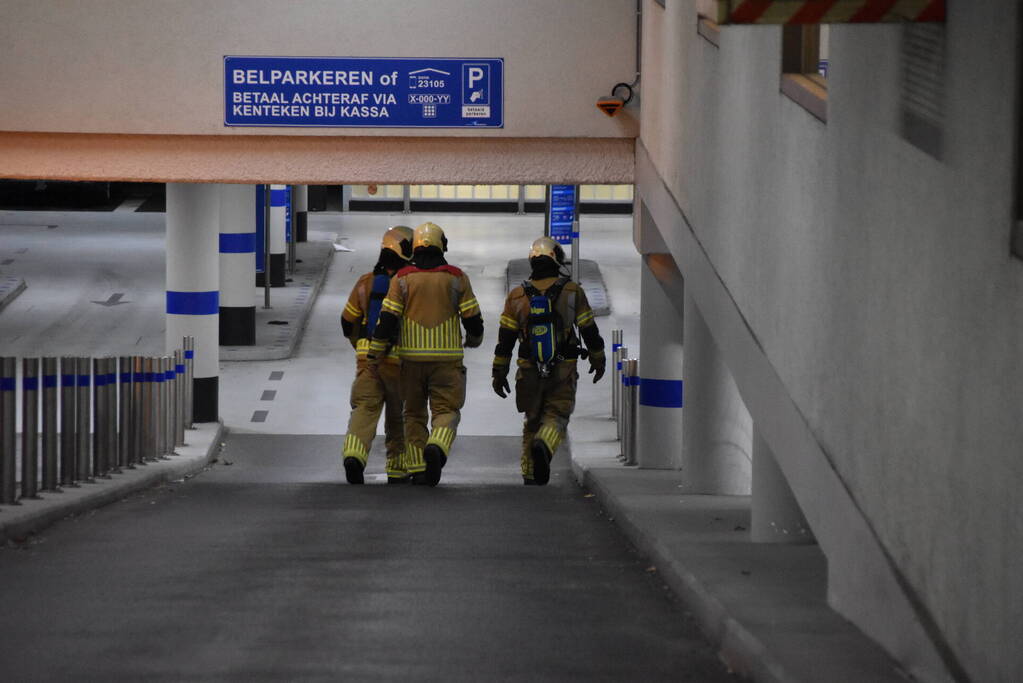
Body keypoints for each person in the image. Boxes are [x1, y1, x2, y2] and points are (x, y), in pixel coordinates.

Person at [367, 221, 483, 486]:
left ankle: (419, 468)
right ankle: (438, 446)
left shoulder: (402, 278)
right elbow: (472, 318)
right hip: (447, 361)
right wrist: (475, 339)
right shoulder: (456, 277)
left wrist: (375, 353)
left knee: (414, 413)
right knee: (446, 410)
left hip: (411, 361)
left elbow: (386, 320)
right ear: (443, 245)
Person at [491, 236, 605, 485]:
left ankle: (531, 473)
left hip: (528, 369)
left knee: (532, 418)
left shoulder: (517, 296)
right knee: (557, 414)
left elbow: (505, 340)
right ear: (557, 260)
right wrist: (598, 359)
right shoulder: (572, 291)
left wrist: (499, 372)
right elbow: (589, 330)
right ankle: (545, 443)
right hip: (563, 369)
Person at [340, 225, 413, 484]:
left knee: (364, 410)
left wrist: (361, 347)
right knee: (399, 415)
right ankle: (397, 468)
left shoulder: (365, 283)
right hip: (399, 363)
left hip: (368, 362)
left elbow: (348, 322)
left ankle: (354, 456)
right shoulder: (408, 285)